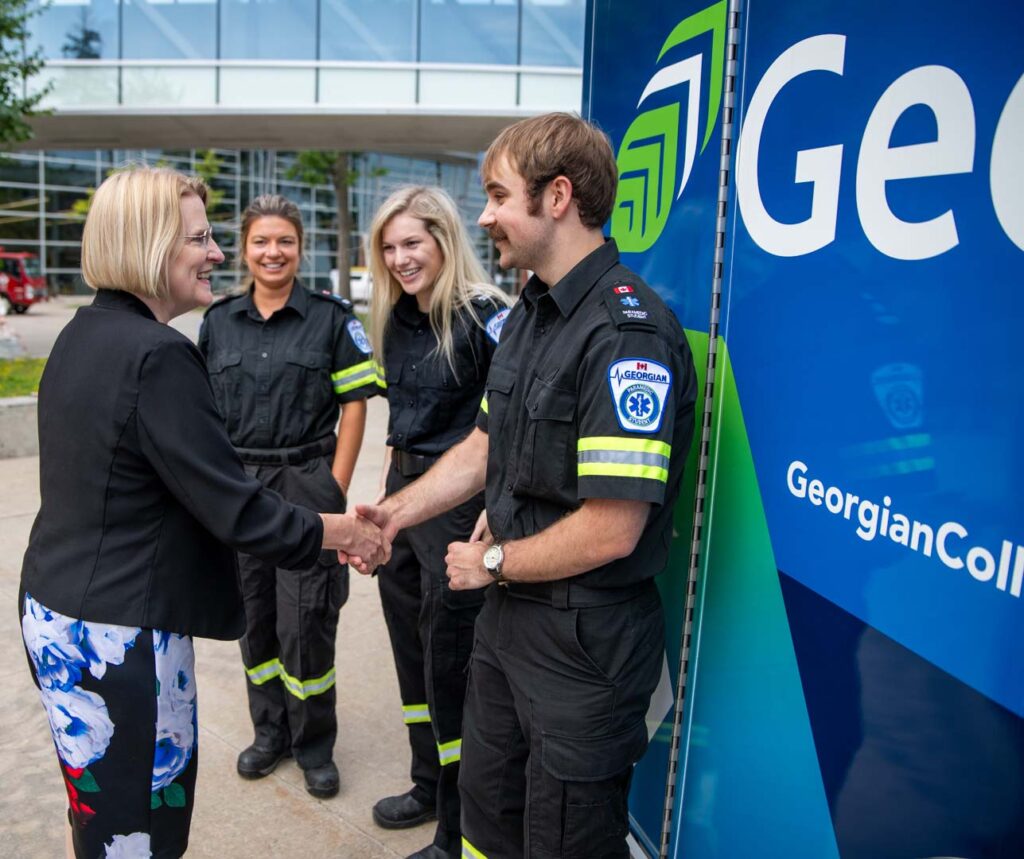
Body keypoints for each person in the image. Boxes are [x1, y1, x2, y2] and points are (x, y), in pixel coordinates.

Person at [354, 112, 697, 858]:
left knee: (562, 838)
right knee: (488, 817)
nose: (484, 216)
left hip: (583, 645)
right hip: (509, 625)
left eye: (498, 195)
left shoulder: (624, 334)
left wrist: (494, 561)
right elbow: (484, 446)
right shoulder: (533, 317)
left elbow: (614, 526)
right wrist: (391, 514)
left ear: (559, 196)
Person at [18, 167, 387, 859]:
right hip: (118, 642)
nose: (220, 253)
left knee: (98, 817)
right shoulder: (158, 355)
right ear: (153, 245)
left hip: (59, 610)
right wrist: (343, 530)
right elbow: (236, 509)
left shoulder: (82, 333)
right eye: (201, 237)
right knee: (139, 836)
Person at [198, 194, 377, 800]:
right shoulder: (217, 321)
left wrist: (335, 488)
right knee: (255, 619)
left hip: (306, 482)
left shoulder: (331, 318)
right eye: (261, 242)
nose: (273, 252)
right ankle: (268, 733)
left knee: (308, 625)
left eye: (285, 241)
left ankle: (314, 746)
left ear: (300, 248)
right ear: (244, 250)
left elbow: (355, 404)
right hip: (241, 485)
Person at [365, 186, 512, 859]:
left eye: (412, 244)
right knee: (411, 656)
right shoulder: (396, 317)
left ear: (445, 242)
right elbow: (403, 418)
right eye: (389, 247)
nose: (399, 258)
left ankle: (455, 831)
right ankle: (427, 784)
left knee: (452, 666)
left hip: (456, 508)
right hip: (406, 496)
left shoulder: (486, 317)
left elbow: (505, 432)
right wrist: (387, 499)